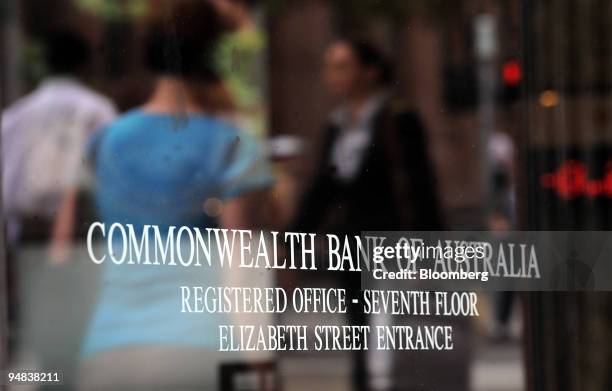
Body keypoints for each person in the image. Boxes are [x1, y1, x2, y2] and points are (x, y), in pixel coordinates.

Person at [52, 2, 275, 389]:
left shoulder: (103, 141)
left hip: (109, 350)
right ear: (213, 54)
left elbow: (62, 248)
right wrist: (260, 364)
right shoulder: (233, 144)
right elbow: (243, 272)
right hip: (200, 349)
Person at [291, 38, 443, 391]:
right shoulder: (337, 124)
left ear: (370, 72)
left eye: (342, 66)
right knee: (361, 336)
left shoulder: (398, 119)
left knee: (392, 339)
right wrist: (292, 240)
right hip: (353, 248)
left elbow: (420, 188)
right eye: (329, 66)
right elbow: (322, 188)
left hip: (394, 245)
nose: (332, 75)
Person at [2, 28, 117, 245]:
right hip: (83, 236)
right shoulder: (98, 110)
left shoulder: (14, 116)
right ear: (85, 64)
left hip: (26, 239)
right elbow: (112, 174)